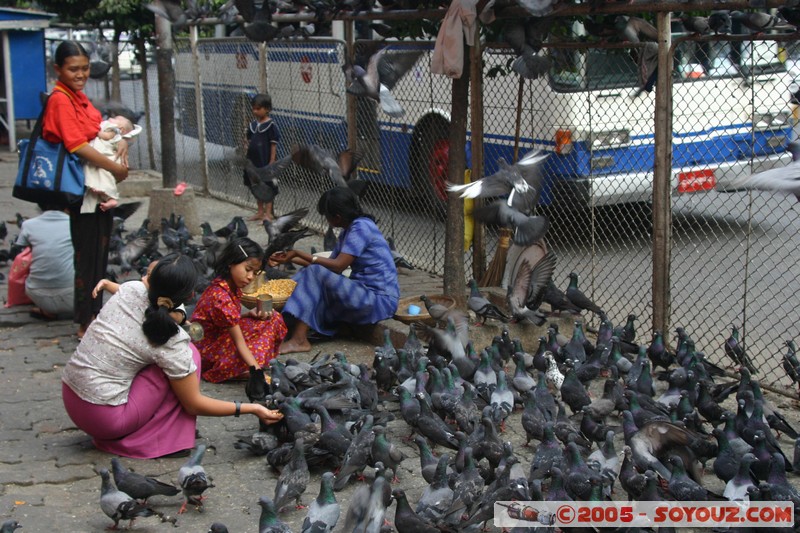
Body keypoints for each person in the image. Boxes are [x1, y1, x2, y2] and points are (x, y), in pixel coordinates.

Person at [61, 254, 284, 459]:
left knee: (171, 360)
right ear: (189, 295)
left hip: (71, 396)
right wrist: (252, 408)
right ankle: (156, 440)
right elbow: (194, 405)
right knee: (189, 358)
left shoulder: (129, 289)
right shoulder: (171, 340)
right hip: (105, 419)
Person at [42, 41, 130, 339]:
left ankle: (93, 315)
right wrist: (113, 167)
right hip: (80, 190)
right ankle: (85, 322)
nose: (80, 74)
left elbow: (96, 130)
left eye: (84, 68)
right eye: (73, 69)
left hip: (92, 190)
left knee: (100, 252)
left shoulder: (77, 97)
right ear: (58, 69)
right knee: (88, 256)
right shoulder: (60, 99)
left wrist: (121, 140)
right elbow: (76, 145)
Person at [271, 186, 400, 354]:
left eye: (326, 216)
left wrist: (299, 253)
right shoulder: (348, 230)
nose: (326, 220)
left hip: (379, 301)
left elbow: (338, 265)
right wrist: (291, 258)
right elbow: (329, 268)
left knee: (314, 272)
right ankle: (274, 321)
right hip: (362, 293)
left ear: (337, 217)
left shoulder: (362, 227)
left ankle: (299, 340)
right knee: (308, 273)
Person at [191, 238, 287, 383]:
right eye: (248, 270)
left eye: (255, 273)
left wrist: (247, 314)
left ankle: (242, 367)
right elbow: (239, 342)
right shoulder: (221, 297)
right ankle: (235, 369)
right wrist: (258, 373)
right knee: (267, 326)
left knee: (273, 318)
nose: (250, 277)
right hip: (206, 354)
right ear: (231, 262)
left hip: (211, 342)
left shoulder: (226, 285)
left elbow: (222, 322)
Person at [15, 204, 74, 319]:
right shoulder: (77, 223)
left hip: (36, 293)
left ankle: (47, 310)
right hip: (75, 296)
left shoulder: (28, 224)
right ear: (67, 207)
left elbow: (27, 251)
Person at [82, 115, 142, 214]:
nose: (111, 118)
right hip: (102, 157)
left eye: (116, 119)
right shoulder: (112, 130)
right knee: (101, 176)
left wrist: (95, 131)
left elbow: (105, 136)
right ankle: (105, 195)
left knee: (103, 175)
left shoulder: (113, 130)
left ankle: (111, 197)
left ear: (121, 129)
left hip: (107, 156)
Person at [244, 93, 280, 222]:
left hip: (264, 162)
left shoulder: (271, 126)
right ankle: (260, 211)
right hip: (253, 161)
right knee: (256, 186)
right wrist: (247, 145)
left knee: (267, 186)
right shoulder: (253, 125)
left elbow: (273, 145)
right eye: (253, 108)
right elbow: (248, 138)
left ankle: (268, 214)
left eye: (258, 108)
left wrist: (271, 161)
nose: (255, 111)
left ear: (267, 109)